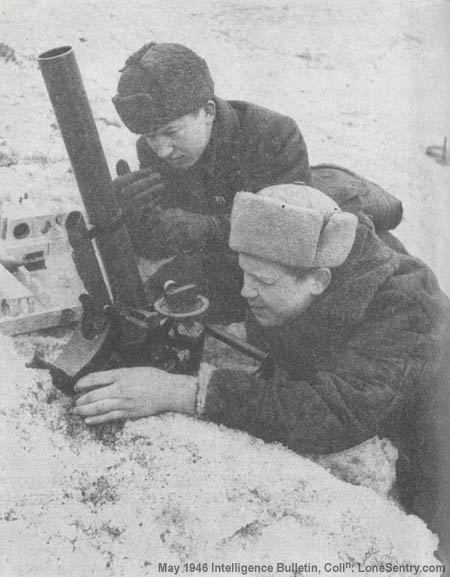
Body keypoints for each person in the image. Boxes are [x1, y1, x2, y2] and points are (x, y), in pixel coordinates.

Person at [73, 183, 449, 560]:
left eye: (263, 283)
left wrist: (184, 392)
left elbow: (333, 412)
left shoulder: (406, 308)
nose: (246, 292)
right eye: (245, 275)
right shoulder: (298, 262)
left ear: (319, 280)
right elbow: (225, 273)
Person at [110, 41, 402, 321]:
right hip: (233, 260)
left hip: (300, 239)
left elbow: (291, 240)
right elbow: (164, 239)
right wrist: (129, 217)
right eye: (150, 137)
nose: (161, 150)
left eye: (172, 132)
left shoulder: (273, 135)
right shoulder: (156, 151)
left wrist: (205, 229)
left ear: (208, 112)